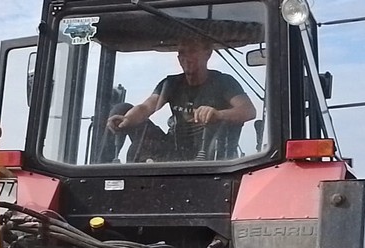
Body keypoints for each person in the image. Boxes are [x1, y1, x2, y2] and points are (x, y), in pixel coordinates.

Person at [105, 38, 257, 161]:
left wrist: (218, 114)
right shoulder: (171, 83)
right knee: (121, 110)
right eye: (182, 53)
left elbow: (248, 111)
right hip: (173, 150)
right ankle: (102, 170)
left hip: (210, 153)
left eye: (192, 51)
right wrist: (127, 119)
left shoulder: (224, 82)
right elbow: (146, 107)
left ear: (208, 53)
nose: (186, 58)